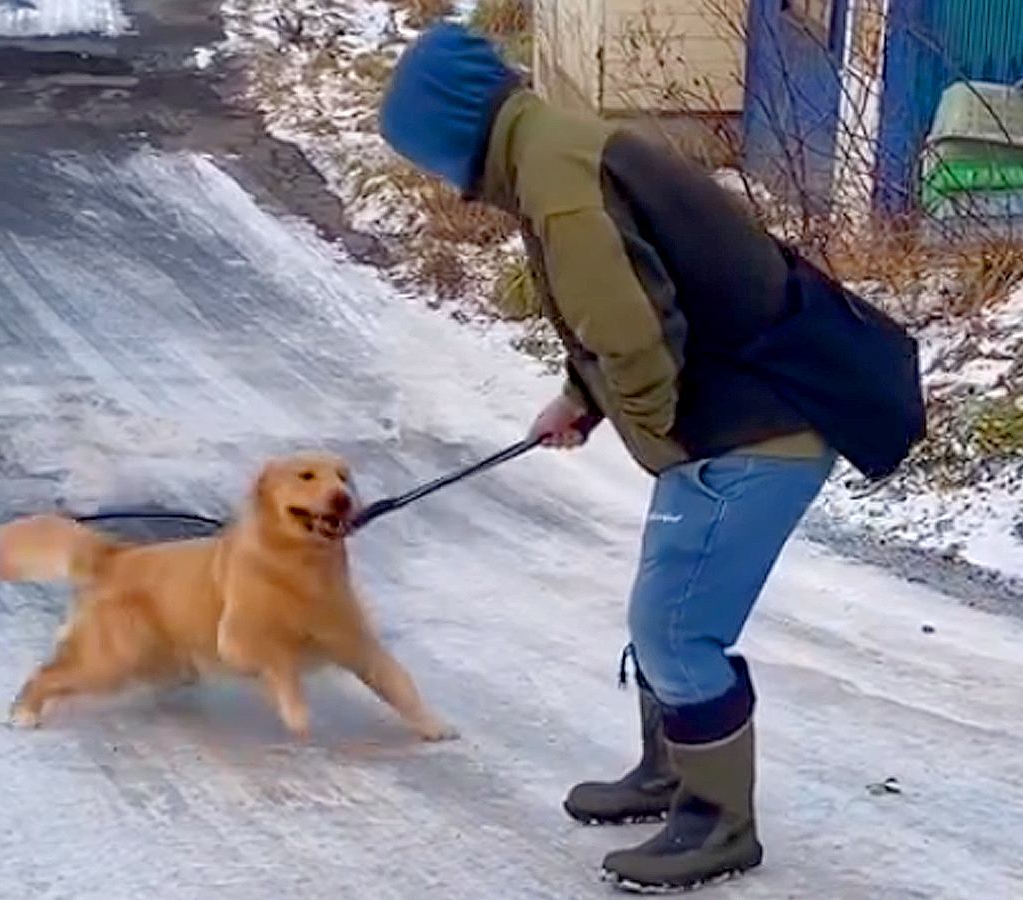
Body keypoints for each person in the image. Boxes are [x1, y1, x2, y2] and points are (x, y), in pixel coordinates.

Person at [378, 22, 925, 894]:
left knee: (677, 627)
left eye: (423, 154)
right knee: (662, 615)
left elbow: (630, 332)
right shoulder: (552, 148)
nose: (433, 173)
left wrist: (660, 441)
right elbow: (651, 286)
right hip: (746, 408)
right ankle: (672, 772)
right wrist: (580, 397)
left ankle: (717, 824)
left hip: (758, 425)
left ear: (448, 134)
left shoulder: (554, 180)